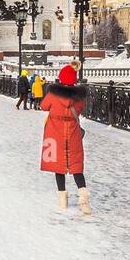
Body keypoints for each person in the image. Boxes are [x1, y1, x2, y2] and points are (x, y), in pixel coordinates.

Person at [40, 63, 89, 213]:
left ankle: (62, 201)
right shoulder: (79, 98)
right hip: (73, 133)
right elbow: (80, 109)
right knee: (76, 166)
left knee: (58, 166)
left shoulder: (53, 94)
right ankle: (84, 198)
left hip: (55, 133)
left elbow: (43, 106)